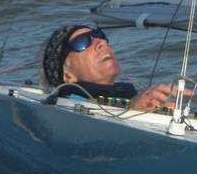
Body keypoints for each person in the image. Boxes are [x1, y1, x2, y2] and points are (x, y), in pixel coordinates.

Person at [39, 24, 186, 111]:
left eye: (99, 35)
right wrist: (131, 108)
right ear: (68, 75)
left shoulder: (129, 94)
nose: (101, 42)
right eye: (82, 42)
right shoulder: (65, 105)